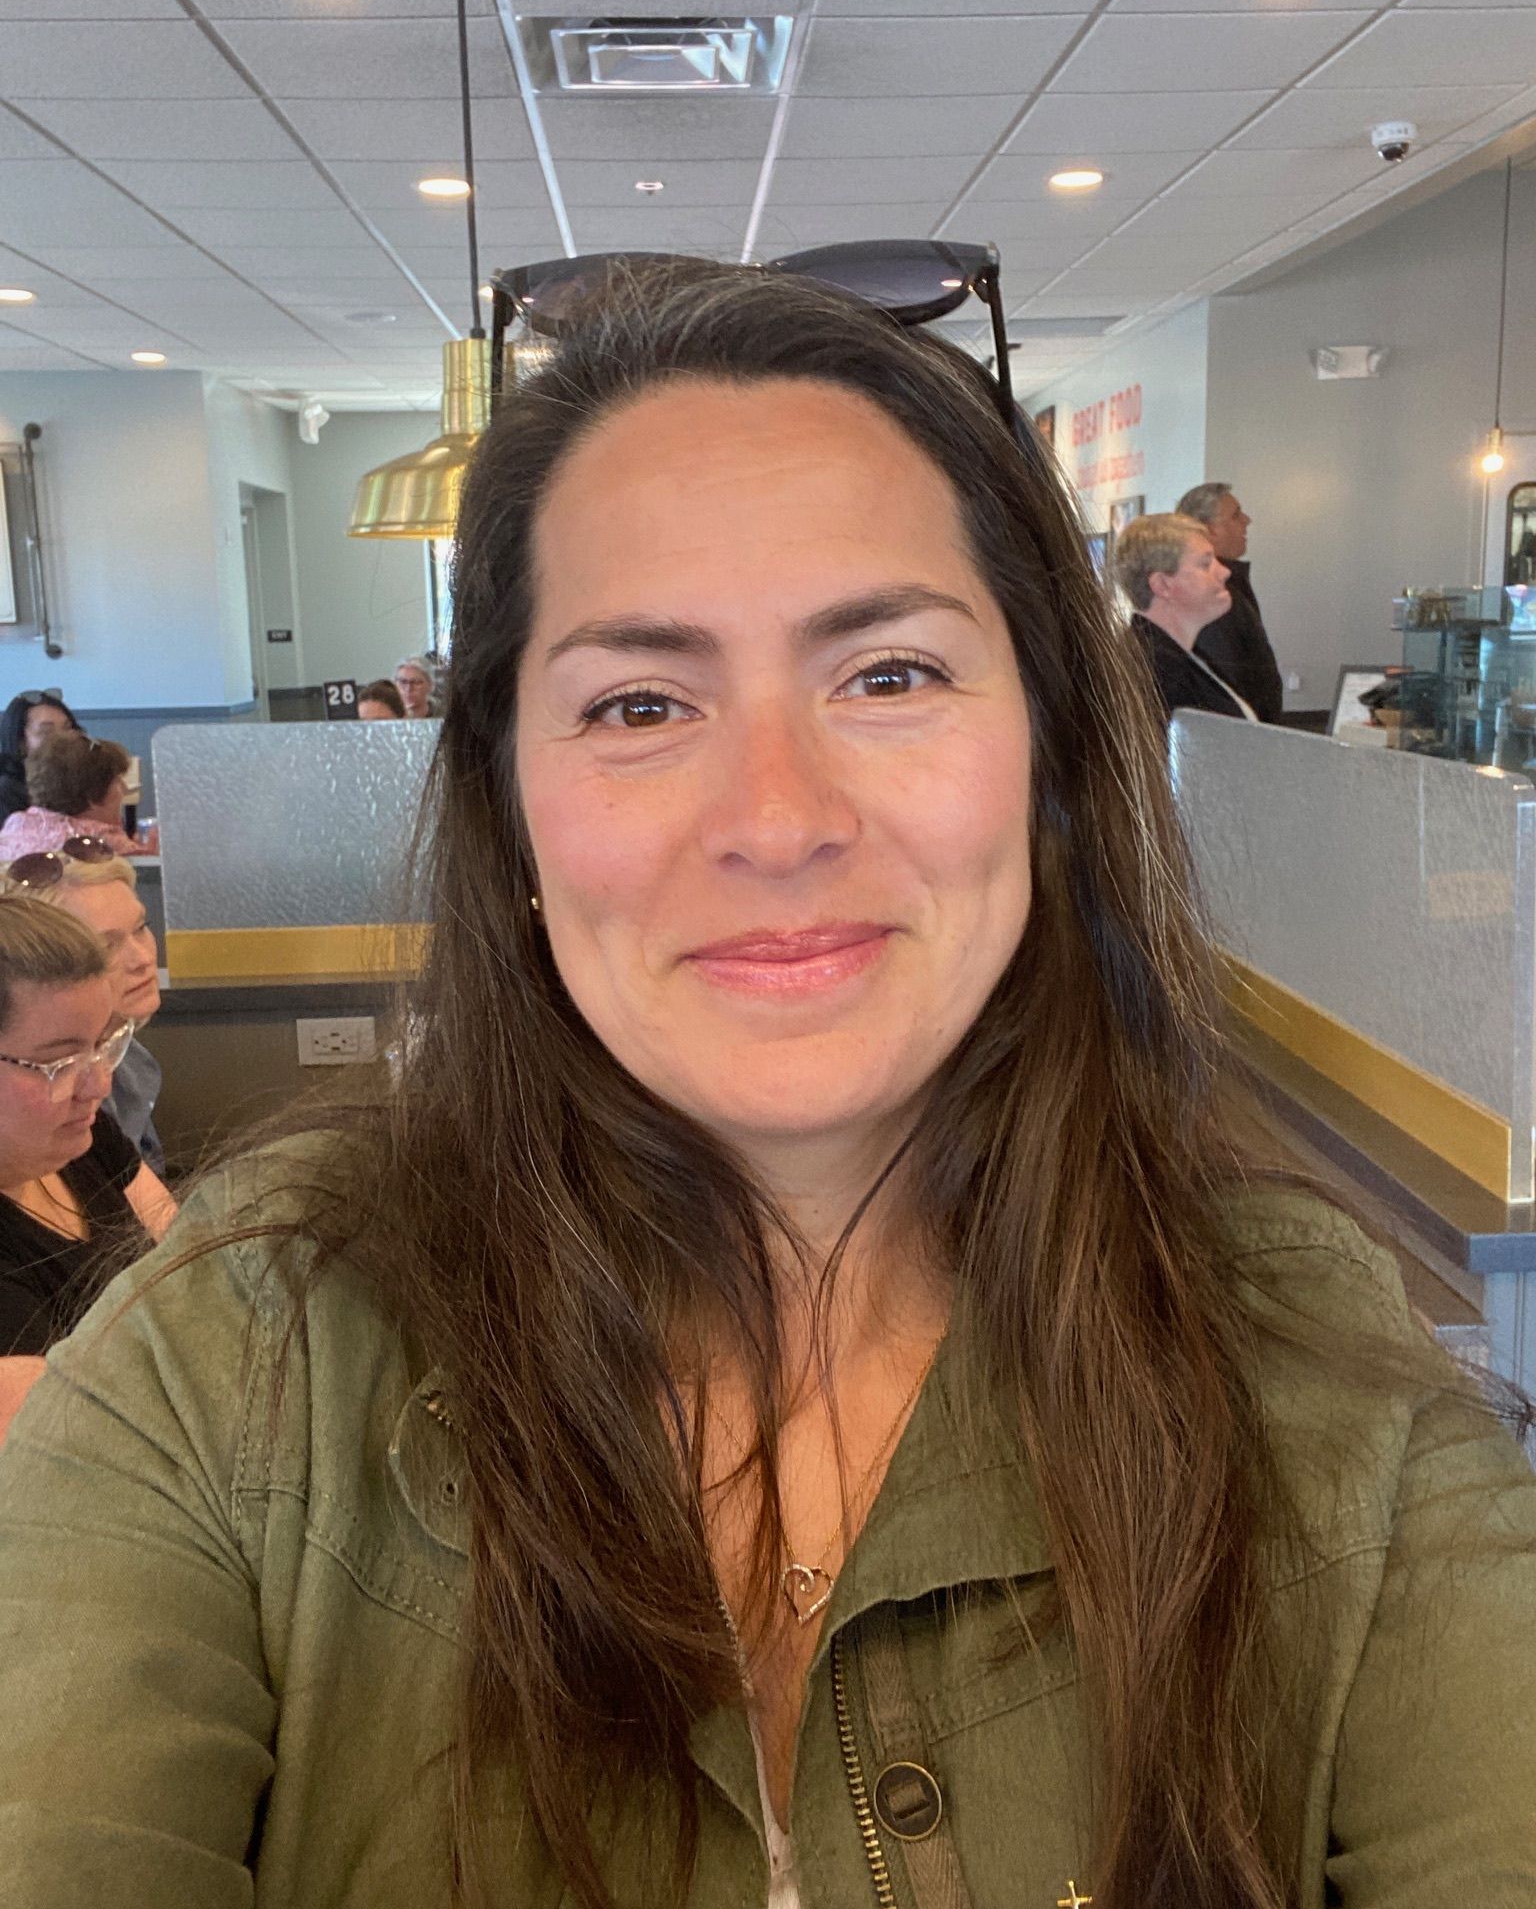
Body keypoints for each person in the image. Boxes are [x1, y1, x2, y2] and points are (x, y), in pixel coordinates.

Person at [0, 263, 1531, 1908]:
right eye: (640, 702)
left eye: (889, 674)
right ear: (510, 807)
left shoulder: (1316, 1376)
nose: (780, 818)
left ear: (1048, 754)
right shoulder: (238, 1362)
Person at [0, 897, 174, 1446]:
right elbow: (77, 1443)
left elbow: (186, 1258)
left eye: (104, 1044)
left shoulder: (80, 1139)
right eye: (60, 1062)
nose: (98, 1084)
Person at [8, 845, 167, 1174]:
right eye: (105, 945)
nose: (142, 959)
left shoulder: (130, 1054)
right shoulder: (55, 1106)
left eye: (140, 928)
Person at [1117, 511, 1258, 723]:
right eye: (1205, 564)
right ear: (1162, 585)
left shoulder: (1178, 654)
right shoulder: (1155, 671)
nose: (1225, 572)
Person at [1176, 481, 1285, 722]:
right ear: (1207, 529)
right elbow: (1226, 678)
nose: (1247, 520)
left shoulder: (1232, 586)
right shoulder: (1211, 594)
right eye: (1236, 515)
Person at [0, 731, 136, 859]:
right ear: (93, 793)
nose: (124, 788)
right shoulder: (105, 841)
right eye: (117, 781)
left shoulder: (17, 824)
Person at [0, 689, 81, 822]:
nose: (62, 738)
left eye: (67, 728)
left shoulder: (80, 779)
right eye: (46, 732)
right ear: (20, 742)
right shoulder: (6, 792)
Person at [393, 654, 441, 718]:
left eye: (416, 682)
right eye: (403, 682)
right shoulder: (387, 716)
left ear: (430, 685)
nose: (408, 688)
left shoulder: (444, 717)